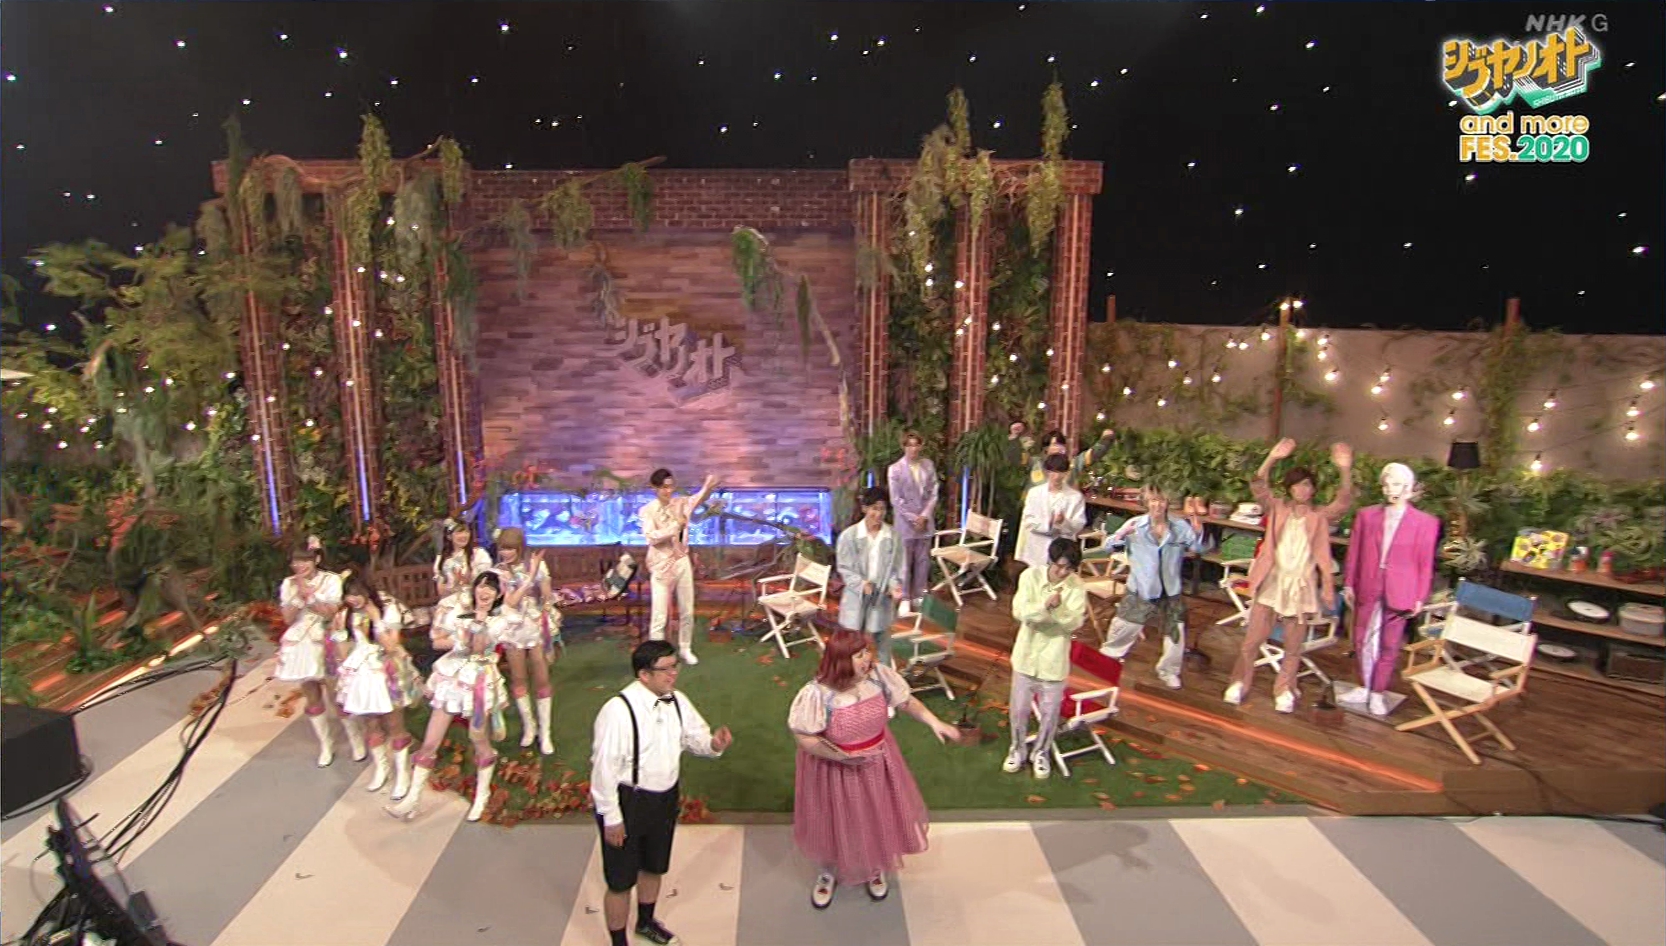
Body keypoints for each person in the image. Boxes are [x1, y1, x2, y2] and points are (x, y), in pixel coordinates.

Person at [789, 630, 959, 909]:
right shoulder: (818, 693)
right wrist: (840, 757)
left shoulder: (879, 677)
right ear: (841, 660)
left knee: (878, 813)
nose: (867, 659)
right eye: (858, 655)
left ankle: (875, 865)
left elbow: (906, 701)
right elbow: (804, 736)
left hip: (877, 762)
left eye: (866, 652)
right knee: (832, 819)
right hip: (834, 770)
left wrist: (934, 722)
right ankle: (828, 871)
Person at [589, 641, 732, 946]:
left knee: (654, 866)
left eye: (674, 666)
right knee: (620, 881)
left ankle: (646, 922)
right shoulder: (618, 711)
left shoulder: (677, 700)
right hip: (628, 800)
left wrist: (713, 745)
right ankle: (618, 942)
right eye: (665, 669)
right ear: (644, 674)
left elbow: (695, 737)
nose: (673, 674)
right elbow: (603, 770)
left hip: (664, 798)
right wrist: (611, 817)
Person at [1225, 438, 1354, 713]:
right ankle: (1239, 683)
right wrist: (1272, 458)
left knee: (1293, 646)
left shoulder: (1319, 516)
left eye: (1307, 485)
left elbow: (1343, 502)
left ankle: (1284, 689)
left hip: (1301, 586)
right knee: (1252, 641)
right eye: (1297, 485)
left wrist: (1345, 469)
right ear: (1289, 488)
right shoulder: (1278, 508)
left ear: (1313, 489)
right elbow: (1258, 485)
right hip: (1271, 582)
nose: (1302, 490)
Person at [387, 571, 518, 823]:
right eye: (480, 586)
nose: (484, 591)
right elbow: (437, 642)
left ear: (498, 594)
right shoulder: (459, 613)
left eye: (491, 588)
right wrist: (459, 638)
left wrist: (476, 625)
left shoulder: (500, 621)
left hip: (479, 684)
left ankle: (482, 796)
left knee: (478, 738)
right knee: (430, 742)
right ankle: (412, 800)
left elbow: (478, 649)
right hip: (451, 679)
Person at [1342, 462, 1441, 716]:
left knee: (1390, 643)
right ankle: (1363, 685)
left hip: (1401, 588)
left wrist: (1420, 596)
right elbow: (1354, 552)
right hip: (1368, 583)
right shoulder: (1366, 516)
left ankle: (1378, 691)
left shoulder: (1425, 522)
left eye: (1396, 484)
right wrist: (1349, 582)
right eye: (1386, 484)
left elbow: (1425, 563)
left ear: (1408, 487)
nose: (1390, 489)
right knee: (1361, 638)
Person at [1100, 486, 1211, 690]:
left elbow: (1199, 548)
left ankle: (1169, 671)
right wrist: (1121, 535)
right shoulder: (1135, 524)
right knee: (1124, 627)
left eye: (1161, 500)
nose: (1157, 505)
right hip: (1141, 588)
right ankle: (1107, 660)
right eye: (1153, 500)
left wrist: (1199, 533)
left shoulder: (1180, 526)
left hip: (1170, 589)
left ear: (1167, 503)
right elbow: (1107, 546)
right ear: (1146, 502)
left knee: (1175, 633)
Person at [1004, 538, 1089, 780]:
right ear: (1049, 561)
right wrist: (1045, 607)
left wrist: (1056, 610)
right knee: (1019, 710)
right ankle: (1017, 749)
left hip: (1054, 660)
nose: (1062, 573)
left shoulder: (1077, 586)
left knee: (1050, 714)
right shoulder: (1030, 577)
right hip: (1026, 656)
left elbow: (1074, 623)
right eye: (1059, 566)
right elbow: (1020, 612)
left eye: (1068, 568)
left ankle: (1041, 752)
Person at [333, 573, 421, 797]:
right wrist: (340, 632)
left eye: (357, 594)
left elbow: (391, 646)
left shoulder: (388, 608)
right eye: (348, 595)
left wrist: (376, 619)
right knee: (371, 724)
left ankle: (403, 774)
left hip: (386, 670)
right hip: (362, 671)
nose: (353, 599)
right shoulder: (346, 614)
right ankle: (382, 768)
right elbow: (343, 653)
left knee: (394, 724)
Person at [275, 537, 360, 768]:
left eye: (305, 560)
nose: (299, 565)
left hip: (326, 640)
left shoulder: (331, 580)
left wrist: (309, 595)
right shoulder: (288, 584)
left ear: (317, 559)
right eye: (296, 561)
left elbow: (330, 612)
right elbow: (287, 618)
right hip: (301, 642)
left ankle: (355, 739)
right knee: (311, 694)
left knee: (335, 692)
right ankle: (326, 744)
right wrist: (299, 594)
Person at [639, 469, 719, 666]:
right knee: (659, 615)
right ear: (654, 488)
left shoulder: (681, 503)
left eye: (671, 486)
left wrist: (708, 486)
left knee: (687, 610)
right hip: (660, 564)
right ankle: (657, 655)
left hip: (682, 560)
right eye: (664, 487)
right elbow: (651, 537)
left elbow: (699, 498)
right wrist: (675, 527)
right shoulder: (647, 510)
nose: (669, 491)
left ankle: (685, 648)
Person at [491, 529, 559, 755]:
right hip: (513, 629)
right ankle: (529, 727)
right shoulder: (498, 571)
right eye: (502, 548)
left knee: (542, 678)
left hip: (534, 626)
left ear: (520, 547)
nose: (506, 553)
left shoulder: (536, 564)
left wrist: (546, 610)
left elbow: (546, 594)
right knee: (518, 678)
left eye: (510, 548)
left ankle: (546, 732)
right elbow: (506, 603)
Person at [835, 487, 907, 665]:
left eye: (883, 509)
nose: (879, 514)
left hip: (881, 597)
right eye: (875, 508)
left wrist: (894, 585)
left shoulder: (893, 536)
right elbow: (845, 568)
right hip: (856, 596)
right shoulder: (849, 536)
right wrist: (861, 584)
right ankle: (850, 675)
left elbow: (897, 567)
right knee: (853, 643)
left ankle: (886, 676)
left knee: (883, 641)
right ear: (865, 508)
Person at [886, 433, 938, 614]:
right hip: (905, 523)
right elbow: (895, 499)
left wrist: (924, 516)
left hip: (925, 522)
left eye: (916, 445)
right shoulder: (895, 469)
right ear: (904, 447)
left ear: (921, 446)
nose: (913, 449)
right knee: (905, 563)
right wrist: (914, 518)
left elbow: (933, 492)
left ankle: (919, 595)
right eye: (910, 445)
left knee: (923, 561)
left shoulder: (928, 465)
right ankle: (905, 597)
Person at [1019, 454, 1087, 572]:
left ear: (1067, 473)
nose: (1057, 477)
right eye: (1053, 472)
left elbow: (1079, 524)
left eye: (1061, 472)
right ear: (1046, 472)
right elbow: (1028, 521)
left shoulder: (1075, 497)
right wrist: (1048, 523)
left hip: (1062, 548)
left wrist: (1063, 522)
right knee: (1035, 576)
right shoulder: (1034, 493)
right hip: (1037, 546)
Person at [434, 518, 493, 601]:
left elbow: (486, 582)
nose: (464, 535)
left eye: (467, 532)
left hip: (474, 600)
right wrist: (456, 583)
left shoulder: (479, 554)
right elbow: (441, 591)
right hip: (450, 601)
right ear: (449, 536)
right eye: (459, 532)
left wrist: (469, 579)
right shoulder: (442, 559)